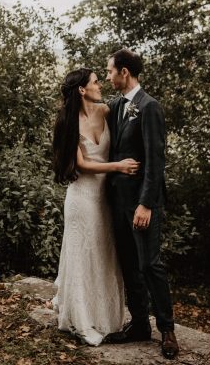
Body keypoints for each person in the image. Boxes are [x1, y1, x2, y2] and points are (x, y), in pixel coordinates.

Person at [52, 67, 140, 346]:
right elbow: (81, 164)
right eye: (95, 82)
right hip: (82, 197)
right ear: (82, 89)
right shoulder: (69, 121)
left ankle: (107, 316)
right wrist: (117, 167)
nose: (100, 85)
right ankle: (81, 317)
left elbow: (128, 134)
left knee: (104, 253)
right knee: (83, 255)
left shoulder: (106, 111)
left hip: (106, 198)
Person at [105, 48, 180, 360]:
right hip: (116, 201)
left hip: (141, 202)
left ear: (125, 72)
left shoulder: (149, 107)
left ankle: (167, 330)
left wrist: (146, 204)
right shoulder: (113, 106)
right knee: (129, 265)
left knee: (150, 263)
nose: (108, 76)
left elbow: (155, 159)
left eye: (110, 71)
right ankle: (139, 325)